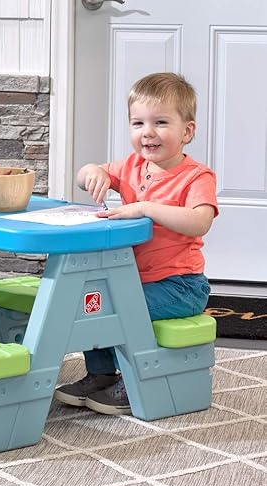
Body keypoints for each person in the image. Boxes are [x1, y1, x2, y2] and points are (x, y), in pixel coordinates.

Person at [54, 72, 219, 415]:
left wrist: (145, 209)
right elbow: (85, 173)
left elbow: (200, 220)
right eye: (138, 123)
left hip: (179, 286)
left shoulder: (196, 176)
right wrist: (94, 173)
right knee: (90, 302)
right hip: (132, 278)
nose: (148, 132)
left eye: (161, 122)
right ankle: (100, 374)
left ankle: (133, 382)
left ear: (187, 131)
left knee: (115, 307)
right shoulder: (131, 166)